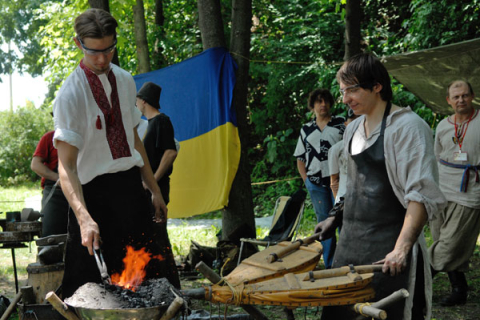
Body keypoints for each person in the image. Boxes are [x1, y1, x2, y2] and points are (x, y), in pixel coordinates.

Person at [315, 53, 446, 320]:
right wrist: (334, 215)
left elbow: (420, 195)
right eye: (342, 91)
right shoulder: (352, 130)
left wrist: (401, 249)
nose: (344, 99)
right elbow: (351, 183)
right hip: (349, 246)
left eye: (352, 90)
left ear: (377, 86)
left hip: (387, 252)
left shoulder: (408, 128)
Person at [53, 8, 168, 298]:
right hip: (92, 198)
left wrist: (154, 189)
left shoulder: (126, 80)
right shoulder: (69, 95)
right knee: (87, 292)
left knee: (151, 284)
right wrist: (84, 217)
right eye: (95, 52)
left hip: (130, 191)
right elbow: (67, 167)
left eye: (109, 49)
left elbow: (134, 140)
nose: (103, 59)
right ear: (79, 44)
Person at [429, 80, 480, 306]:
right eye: (456, 97)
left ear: (473, 96)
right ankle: (459, 289)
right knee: (442, 239)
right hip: (441, 190)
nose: (461, 100)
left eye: (465, 95)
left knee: (449, 245)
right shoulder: (443, 125)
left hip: (470, 191)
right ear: (449, 100)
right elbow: (436, 157)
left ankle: (417, 280)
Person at [135, 81, 181, 288]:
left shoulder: (162, 121)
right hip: (149, 189)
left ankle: (171, 286)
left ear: (143, 101)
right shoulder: (149, 124)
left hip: (158, 190)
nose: (135, 103)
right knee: (151, 237)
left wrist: (152, 181)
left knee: (159, 237)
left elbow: (170, 152)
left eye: (137, 100)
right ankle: (155, 284)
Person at [294, 88, 345, 269]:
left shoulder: (341, 124)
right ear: (313, 105)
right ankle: (330, 264)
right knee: (324, 222)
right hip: (316, 183)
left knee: (342, 219)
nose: (323, 105)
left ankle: (345, 261)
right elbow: (300, 158)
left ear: (330, 103)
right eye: (318, 102)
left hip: (339, 182)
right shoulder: (306, 129)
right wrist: (306, 181)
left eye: (325, 101)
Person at [31, 130, 69, 236]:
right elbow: (35, 165)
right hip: (55, 192)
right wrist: (58, 178)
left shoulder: (85, 136)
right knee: (51, 236)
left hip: (82, 191)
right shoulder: (49, 137)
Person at [327, 108, 358, 203]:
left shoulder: (373, 145)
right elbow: (334, 181)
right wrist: (338, 203)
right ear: (346, 124)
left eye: (359, 119)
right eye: (352, 120)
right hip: (344, 199)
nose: (356, 123)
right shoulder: (336, 148)